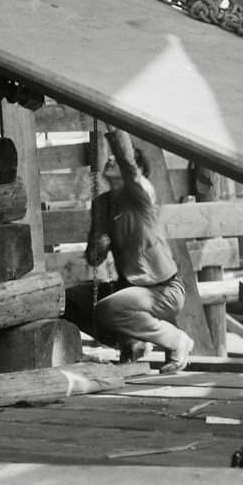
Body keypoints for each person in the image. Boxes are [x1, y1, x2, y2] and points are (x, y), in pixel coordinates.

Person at [86, 129, 193, 374]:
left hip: (163, 290)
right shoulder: (101, 204)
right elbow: (93, 258)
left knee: (107, 309)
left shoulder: (141, 198)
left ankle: (177, 340)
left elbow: (129, 166)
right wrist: (97, 248)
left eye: (118, 157)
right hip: (130, 291)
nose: (110, 158)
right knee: (70, 302)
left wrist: (115, 128)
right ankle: (133, 343)